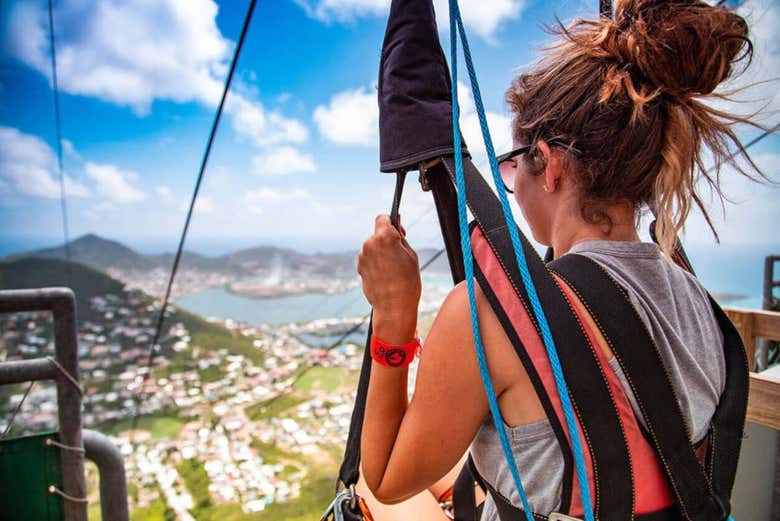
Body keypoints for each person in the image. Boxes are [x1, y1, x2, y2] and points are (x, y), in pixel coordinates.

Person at [356, 0, 764, 518]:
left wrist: (393, 314)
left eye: (513, 168)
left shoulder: (487, 315)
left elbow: (388, 475)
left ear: (546, 165)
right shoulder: (697, 299)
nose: (513, 188)